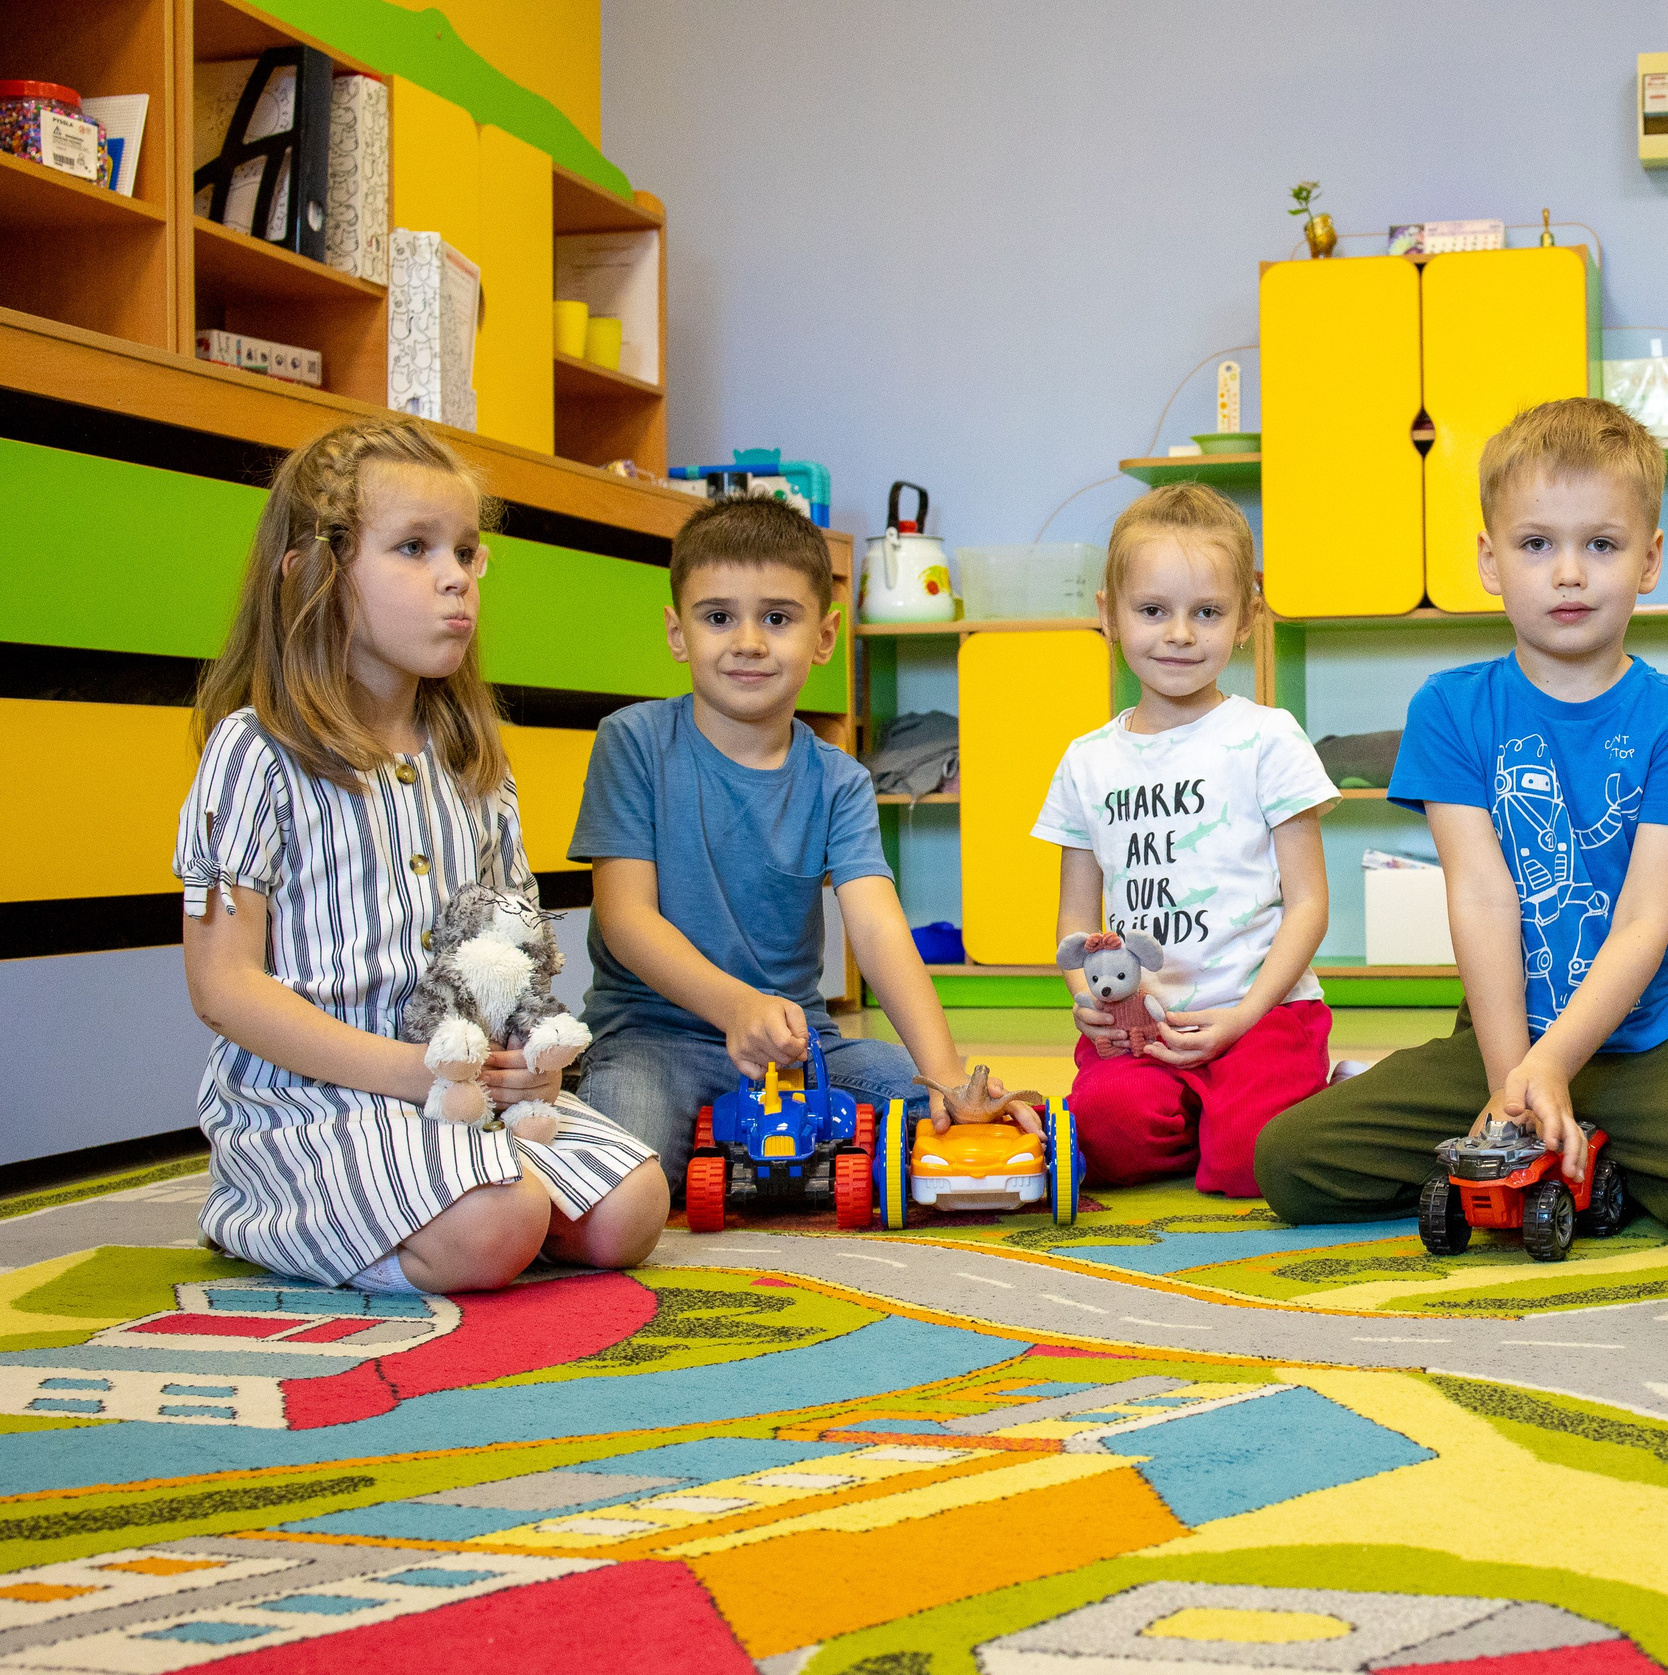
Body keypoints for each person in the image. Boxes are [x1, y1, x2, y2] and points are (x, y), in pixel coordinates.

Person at [1255, 397, 1668, 1234]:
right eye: (1536, 545)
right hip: (1498, 1034)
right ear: (1490, 560)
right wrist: (1510, 1085)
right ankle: (1581, 1145)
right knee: (1290, 1164)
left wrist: (1558, 1061)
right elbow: (1482, 898)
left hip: (1657, 1043)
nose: (1569, 573)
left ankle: (1604, 1148)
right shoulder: (1450, 708)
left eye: (1601, 544)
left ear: (1650, 559)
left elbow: (1643, 918)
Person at [178, 418, 666, 1294]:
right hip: (312, 1100)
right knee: (500, 1221)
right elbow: (223, 988)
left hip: (462, 1089)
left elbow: (514, 954)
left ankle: (443, 1198)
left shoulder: (471, 762)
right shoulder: (256, 752)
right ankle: (261, 1209)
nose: (457, 579)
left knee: (633, 1208)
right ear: (312, 575)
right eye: (414, 548)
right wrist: (409, 1074)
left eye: (468, 553)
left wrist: (527, 1064)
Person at [572, 496, 1026, 1197]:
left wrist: (943, 1073)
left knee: (931, 1123)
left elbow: (875, 928)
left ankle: (739, 1166)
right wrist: (735, 1008)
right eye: (718, 617)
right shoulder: (632, 743)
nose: (749, 642)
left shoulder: (839, 779)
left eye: (777, 618)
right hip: (650, 1040)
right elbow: (628, 922)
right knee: (608, 1185)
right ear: (677, 632)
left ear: (825, 637)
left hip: (800, 1050)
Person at [1037, 483, 1337, 1194]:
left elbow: (1309, 905)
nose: (1179, 634)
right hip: (1145, 1026)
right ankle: (1200, 1118)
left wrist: (1243, 1016)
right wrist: (1090, 1002)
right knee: (1103, 1141)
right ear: (1108, 614)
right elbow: (1077, 922)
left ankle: (1292, 1102)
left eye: (1207, 612)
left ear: (1246, 618)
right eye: (1152, 610)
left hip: (1265, 1014)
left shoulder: (1268, 738)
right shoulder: (1087, 760)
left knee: (1250, 1162)